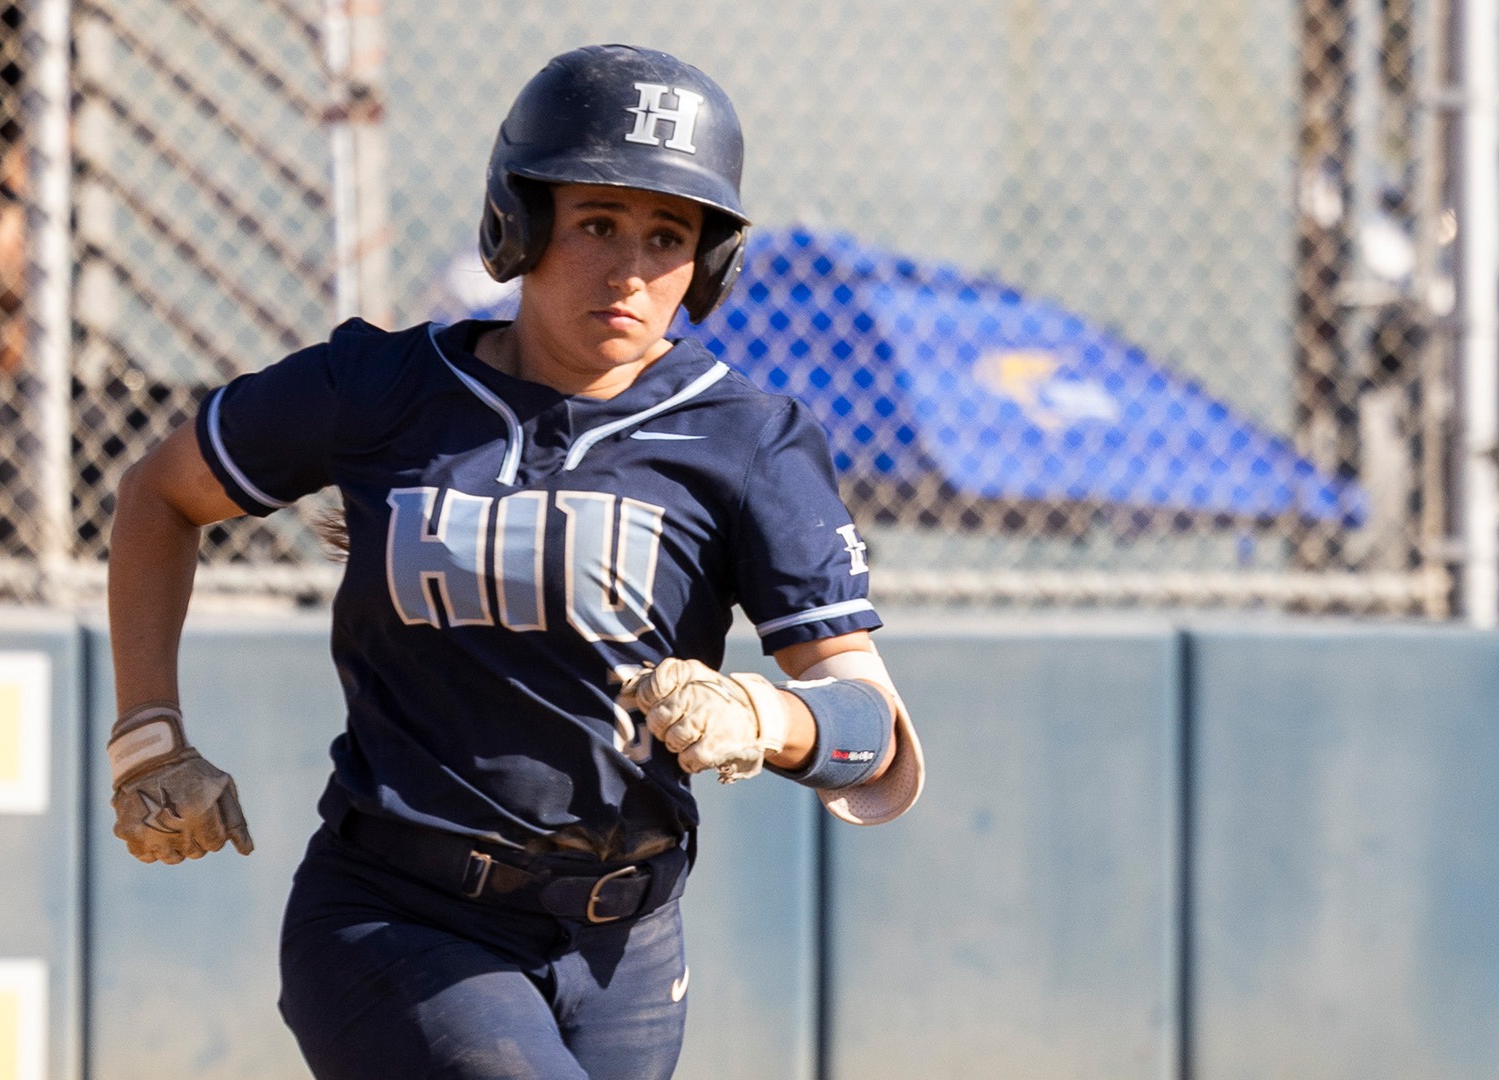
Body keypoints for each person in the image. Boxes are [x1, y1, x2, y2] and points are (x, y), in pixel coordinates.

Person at [104, 45, 924, 1080]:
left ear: (706, 267)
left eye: (668, 236)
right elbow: (160, 494)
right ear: (519, 224)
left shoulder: (745, 437)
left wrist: (767, 715)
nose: (629, 268)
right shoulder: (385, 388)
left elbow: (872, 735)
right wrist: (147, 734)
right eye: (595, 224)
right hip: (397, 915)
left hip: (627, 945)